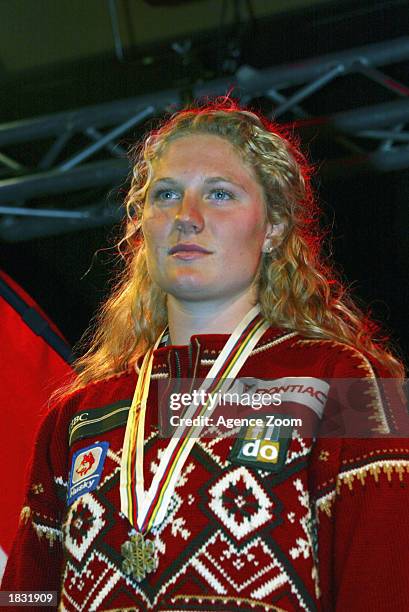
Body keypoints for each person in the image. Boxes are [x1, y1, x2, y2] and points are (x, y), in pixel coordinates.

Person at [2, 101, 408, 611]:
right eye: (166, 195)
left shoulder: (348, 379)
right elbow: (26, 592)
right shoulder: (77, 416)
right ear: (141, 225)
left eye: (219, 194)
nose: (186, 218)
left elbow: (389, 582)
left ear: (274, 228)